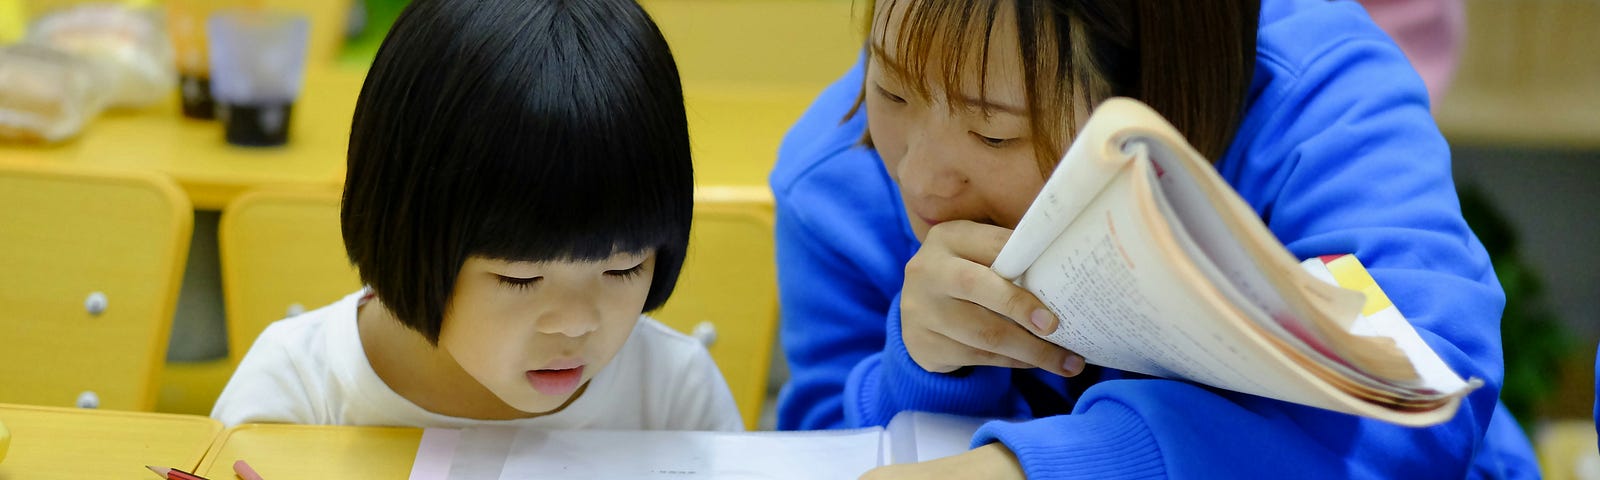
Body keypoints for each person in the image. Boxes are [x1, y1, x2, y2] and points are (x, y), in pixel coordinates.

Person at [771, 0, 1535, 477]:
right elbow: (819, 451)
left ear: (1151, 91)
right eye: (890, 88)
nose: (922, 177)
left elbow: (1417, 399)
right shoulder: (834, 181)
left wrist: (1046, 467)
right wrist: (927, 372)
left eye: (993, 132)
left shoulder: (1315, 96)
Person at [211, 0, 741, 432]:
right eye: (521, 278)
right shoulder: (297, 392)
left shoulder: (675, 394)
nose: (576, 322)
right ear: (405, 230)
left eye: (623, 269)